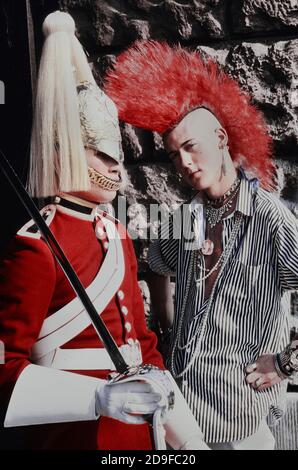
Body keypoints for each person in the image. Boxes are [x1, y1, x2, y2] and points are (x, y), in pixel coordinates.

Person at [0, 13, 208, 450]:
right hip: (74, 435)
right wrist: (93, 397)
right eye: (100, 153)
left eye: (116, 154)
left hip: (139, 436)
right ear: (67, 152)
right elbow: (6, 366)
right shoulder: (36, 247)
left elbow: (144, 349)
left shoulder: (115, 233)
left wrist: (188, 441)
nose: (116, 166)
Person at [104, 40, 298, 450]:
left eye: (191, 147)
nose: (185, 164)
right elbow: (156, 266)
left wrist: (286, 363)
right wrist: (167, 328)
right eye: (175, 156)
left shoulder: (270, 218)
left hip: (242, 415)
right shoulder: (183, 217)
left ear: (222, 138)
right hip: (181, 415)